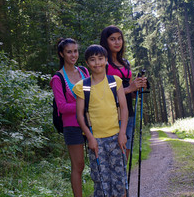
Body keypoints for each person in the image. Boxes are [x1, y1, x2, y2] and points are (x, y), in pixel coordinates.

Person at [73, 44, 128, 197]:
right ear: (87, 64)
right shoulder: (82, 87)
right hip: (96, 141)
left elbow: (124, 108)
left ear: (106, 61)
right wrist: (90, 138)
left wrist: (122, 133)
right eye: (92, 60)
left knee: (119, 178)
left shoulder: (115, 81)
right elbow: (80, 115)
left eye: (100, 59)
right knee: (100, 180)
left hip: (116, 138)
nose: (97, 63)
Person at [100, 25, 147, 160]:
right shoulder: (103, 64)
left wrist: (138, 88)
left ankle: (123, 182)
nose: (117, 42)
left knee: (125, 154)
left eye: (119, 38)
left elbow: (129, 93)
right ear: (105, 41)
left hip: (128, 112)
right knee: (115, 155)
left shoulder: (125, 63)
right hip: (112, 115)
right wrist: (129, 89)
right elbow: (101, 94)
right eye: (113, 39)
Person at [50, 38, 89, 197]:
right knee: (78, 165)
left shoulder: (84, 72)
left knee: (95, 161)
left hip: (90, 123)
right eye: (69, 52)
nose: (73, 55)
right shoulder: (57, 78)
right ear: (61, 54)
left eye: (75, 51)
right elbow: (62, 107)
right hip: (71, 125)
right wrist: (83, 105)